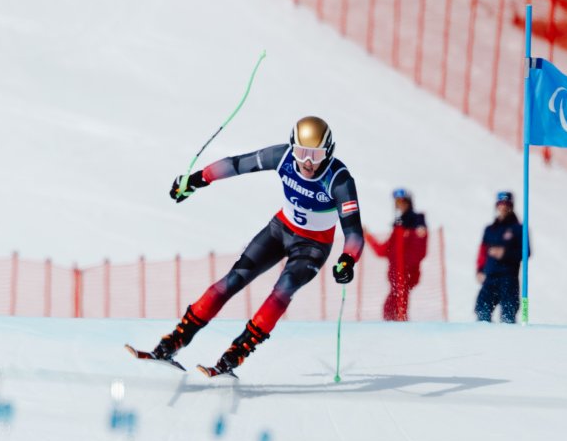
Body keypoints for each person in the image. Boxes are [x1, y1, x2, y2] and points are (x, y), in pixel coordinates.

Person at [149, 116, 364, 377]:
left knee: (282, 291)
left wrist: (347, 260)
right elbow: (237, 164)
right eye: (301, 152)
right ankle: (176, 340)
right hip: (280, 229)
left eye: (316, 155)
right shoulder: (283, 157)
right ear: (291, 147)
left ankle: (237, 352)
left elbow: (353, 234)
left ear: (328, 152)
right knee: (234, 279)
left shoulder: (339, 180)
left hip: (313, 245)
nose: (307, 162)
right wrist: (196, 180)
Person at [364, 188, 428, 321]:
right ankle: (395, 333)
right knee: (389, 308)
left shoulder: (416, 221)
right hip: (396, 277)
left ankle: (401, 333)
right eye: (396, 202)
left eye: (402, 201)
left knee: (399, 307)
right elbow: (383, 250)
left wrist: (404, 270)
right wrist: (368, 236)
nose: (399, 204)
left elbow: (420, 251)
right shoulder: (398, 227)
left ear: (408, 202)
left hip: (405, 275)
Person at [474, 191, 528, 323]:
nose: (503, 207)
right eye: (500, 204)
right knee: (482, 311)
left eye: (506, 204)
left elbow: (526, 253)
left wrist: (505, 253)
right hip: (490, 277)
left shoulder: (518, 229)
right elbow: (482, 252)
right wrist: (480, 270)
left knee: (508, 315)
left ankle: (508, 341)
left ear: (511, 206)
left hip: (508, 278)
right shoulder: (490, 229)